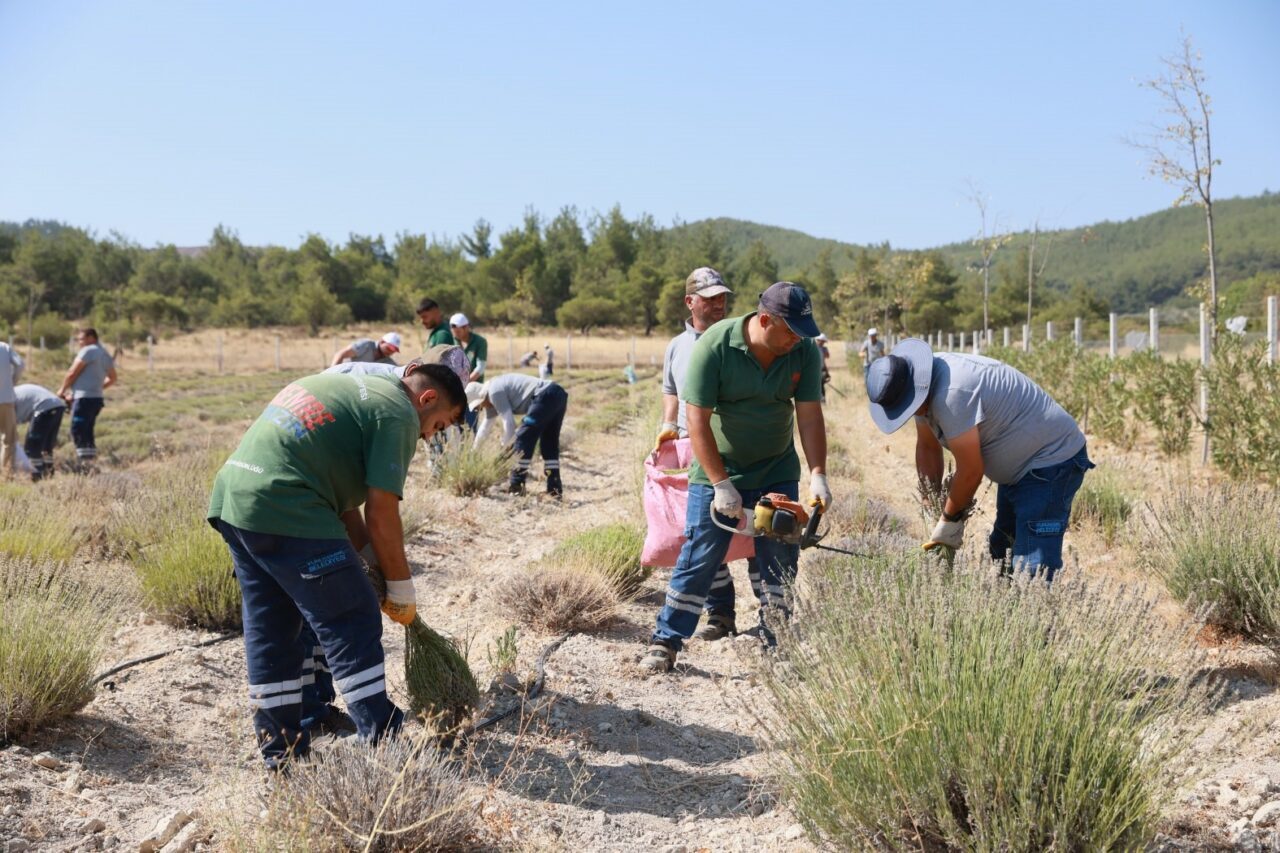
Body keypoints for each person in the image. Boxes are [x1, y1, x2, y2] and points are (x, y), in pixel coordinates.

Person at [207, 363, 466, 771]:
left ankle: (282, 756)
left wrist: (367, 563)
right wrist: (400, 588)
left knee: (272, 629)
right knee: (352, 616)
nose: (430, 434)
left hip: (237, 502)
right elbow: (382, 514)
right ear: (427, 398)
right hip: (288, 504)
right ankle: (384, 741)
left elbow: (345, 503)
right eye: (439, 424)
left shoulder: (355, 389)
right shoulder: (398, 413)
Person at [641, 282, 831, 674]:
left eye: (803, 333)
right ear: (765, 320)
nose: (798, 340)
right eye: (791, 332)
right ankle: (667, 641)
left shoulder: (804, 351)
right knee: (700, 554)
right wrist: (720, 483)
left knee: (779, 556)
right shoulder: (716, 345)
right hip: (717, 467)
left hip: (776, 468)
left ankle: (774, 638)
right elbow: (696, 420)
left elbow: (809, 415)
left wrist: (817, 475)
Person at [865, 338, 1094, 581]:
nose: (911, 413)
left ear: (915, 388)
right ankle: (1009, 611)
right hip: (1020, 469)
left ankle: (1036, 614)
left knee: (1031, 567)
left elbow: (971, 471)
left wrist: (948, 519)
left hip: (1050, 462)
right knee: (1002, 549)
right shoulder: (919, 387)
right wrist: (930, 503)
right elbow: (927, 447)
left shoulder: (951, 394)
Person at [654, 267, 740, 641]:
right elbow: (670, 387)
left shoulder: (735, 340)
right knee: (699, 535)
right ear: (690, 302)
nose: (719, 304)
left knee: (748, 535)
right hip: (692, 448)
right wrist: (668, 424)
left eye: (722, 297)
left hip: (731, 449)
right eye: (710, 298)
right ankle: (720, 611)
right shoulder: (677, 345)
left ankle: (772, 622)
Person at [466, 372, 567, 498]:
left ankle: (516, 486)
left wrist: (505, 451)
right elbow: (485, 427)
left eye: (479, 406)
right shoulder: (491, 395)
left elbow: (509, 424)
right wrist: (474, 452)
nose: (480, 409)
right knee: (549, 444)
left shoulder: (494, 392)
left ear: (482, 397)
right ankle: (554, 490)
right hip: (557, 394)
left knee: (523, 438)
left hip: (544, 395)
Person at [55, 328, 117, 469]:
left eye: (81, 339)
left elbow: (72, 373)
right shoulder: (104, 354)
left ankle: (84, 464)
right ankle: (90, 461)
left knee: (78, 429)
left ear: (91, 338)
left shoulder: (88, 351)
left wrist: (62, 390)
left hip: (83, 399)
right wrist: (97, 388)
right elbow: (113, 378)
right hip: (96, 399)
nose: (79, 342)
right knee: (87, 430)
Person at [14, 384, 64, 481]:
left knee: (32, 445)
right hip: (57, 405)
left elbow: (10, 425)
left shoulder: (6, 400)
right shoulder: (12, 393)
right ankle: (49, 472)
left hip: (44, 407)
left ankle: (36, 475)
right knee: (46, 445)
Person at [0, 340, 25, 479]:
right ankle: (6, 474)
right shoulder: (4, 347)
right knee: (8, 439)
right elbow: (20, 364)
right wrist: (12, 382)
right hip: (5, 398)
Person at [447, 314, 488, 383]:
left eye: (458, 332)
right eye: (454, 332)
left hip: (473, 386)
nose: (456, 335)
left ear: (466, 327)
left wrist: (465, 383)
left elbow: (481, 367)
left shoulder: (480, 342)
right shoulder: (452, 341)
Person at [330, 332, 402, 367]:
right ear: (382, 341)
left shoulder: (389, 363)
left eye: (393, 350)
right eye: (389, 348)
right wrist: (331, 374)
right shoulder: (366, 345)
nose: (391, 352)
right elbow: (340, 354)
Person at [815, 333, 832, 402]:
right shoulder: (812, 348)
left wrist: (827, 372)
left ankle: (822, 400)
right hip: (814, 371)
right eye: (823, 341)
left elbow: (824, 360)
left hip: (821, 370)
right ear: (819, 340)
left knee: (821, 385)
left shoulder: (823, 349)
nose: (823, 343)